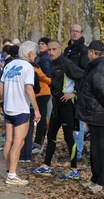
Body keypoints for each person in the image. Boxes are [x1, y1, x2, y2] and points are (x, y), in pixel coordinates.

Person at [31, 40, 84, 179]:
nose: (51, 52)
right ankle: (46, 166)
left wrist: (75, 93)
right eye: (49, 50)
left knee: (68, 137)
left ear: (60, 49)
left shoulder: (66, 63)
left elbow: (84, 77)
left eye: (54, 49)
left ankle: (74, 170)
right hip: (56, 104)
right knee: (51, 136)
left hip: (67, 105)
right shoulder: (52, 63)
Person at [0, 41, 41, 185]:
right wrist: (36, 109)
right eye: (35, 53)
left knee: (9, 141)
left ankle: (9, 170)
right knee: (19, 141)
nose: (35, 56)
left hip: (9, 108)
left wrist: (3, 101)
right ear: (30, 53)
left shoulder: (10, 64)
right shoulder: (28, 67)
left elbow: (0, 86)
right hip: (21, 109)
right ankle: (12, 175)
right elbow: (29, 89)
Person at [76, 40, 104, 192]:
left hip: (100, 116)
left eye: (88, 52)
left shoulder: (99, 69)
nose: (87, 54)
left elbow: (103, 93)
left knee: (101, 151)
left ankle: (101, 182)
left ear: (93, 53)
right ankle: (95, 179)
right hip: (95, 115)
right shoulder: (96, 66)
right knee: (95, 150)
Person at [64, 24, 89, 162]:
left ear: (81, 33)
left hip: (76, 93)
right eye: (72, 31)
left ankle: (78, 153)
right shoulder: (67, 50)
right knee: (69, 123)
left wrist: (75, 92)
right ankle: (73, 150)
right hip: (65, 91)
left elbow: (84, 74)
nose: (74, 33)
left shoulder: (83, 51)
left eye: (77, 31)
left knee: (77, 123)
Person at [32, 37, 52, 154]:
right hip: (41, 91)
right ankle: (39, 143)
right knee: (44, 118)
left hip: (44, 91)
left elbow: (47, 76)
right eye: (39, 43)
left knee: (43, 118)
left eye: (43, 44)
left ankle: (39, 144)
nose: (40, 45)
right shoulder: (41, 56)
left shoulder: (44, 59)